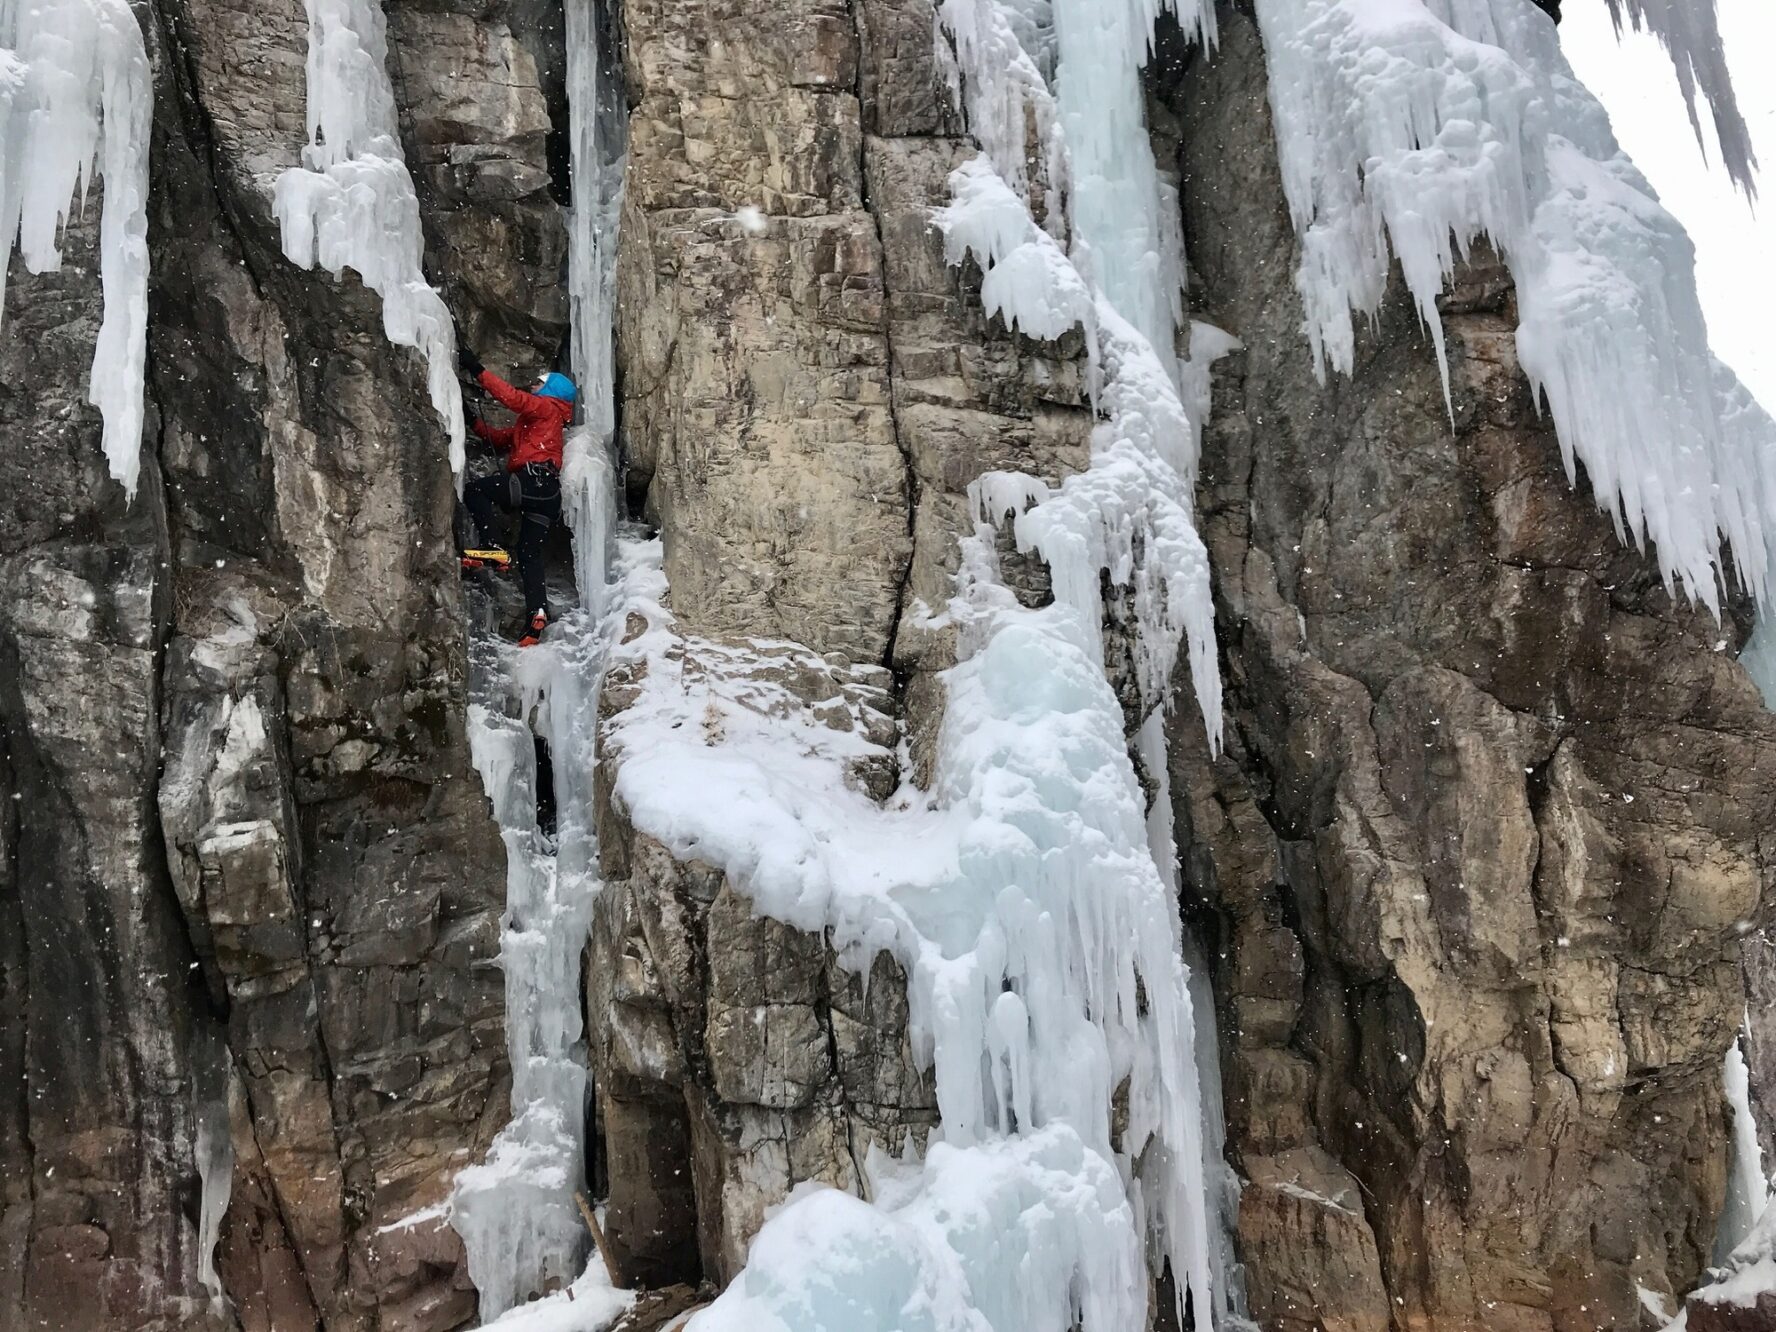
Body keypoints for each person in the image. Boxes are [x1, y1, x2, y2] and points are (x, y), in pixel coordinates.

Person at [458, 347, 575, 647]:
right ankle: (537, 614)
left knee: (476, 490)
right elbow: (497, 438)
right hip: (548, 494)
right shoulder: (537, 425)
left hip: (532, 481)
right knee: (529, 553)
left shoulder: (546, 408)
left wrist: (477, 370)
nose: (532, 386)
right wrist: (470, 419)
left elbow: (513, 398)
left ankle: (492, 547)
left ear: (551, 390)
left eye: (538, 383)